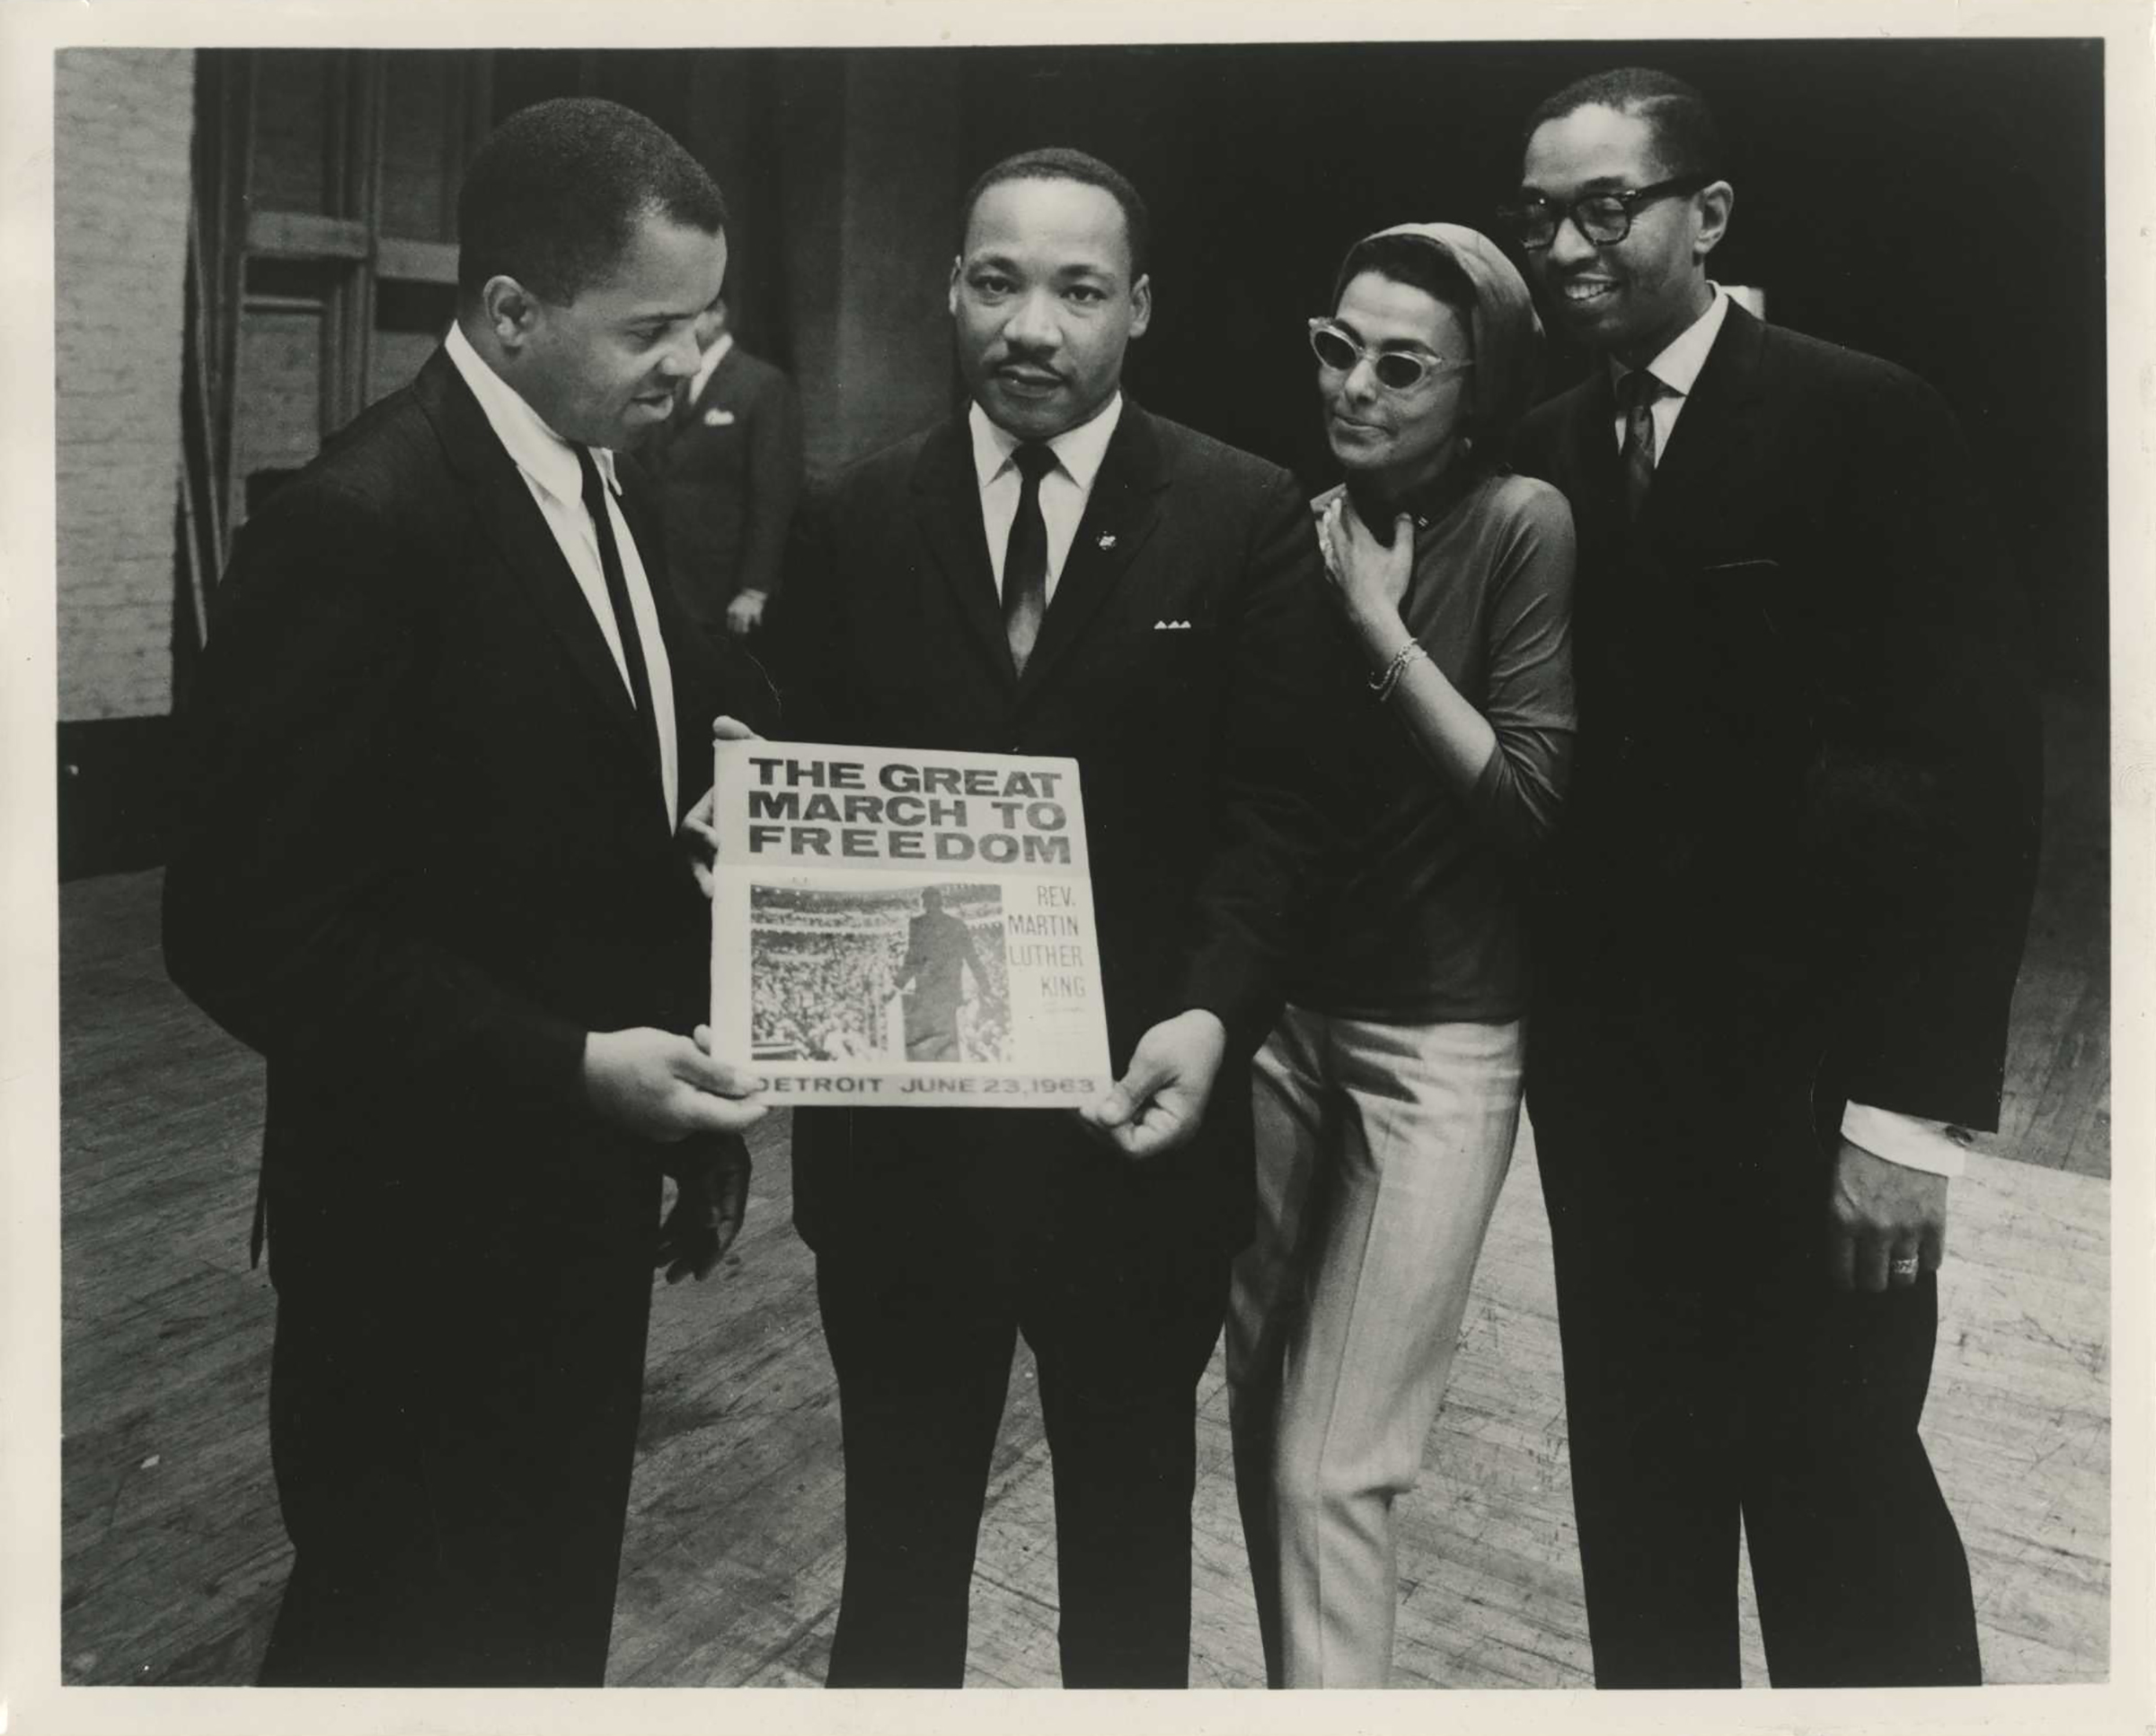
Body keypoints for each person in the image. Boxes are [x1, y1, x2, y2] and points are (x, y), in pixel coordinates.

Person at [161, 97, 775, 1687]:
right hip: (416, 1238)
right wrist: (574, 1065)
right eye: (652, 329)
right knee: (395, 1627)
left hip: (573, 1203)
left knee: (534, 1618)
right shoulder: (361, 525)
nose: (686, 369)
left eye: (701, 328)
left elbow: (580, 792)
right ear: (507, 312)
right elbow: (244, 925)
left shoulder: (588, 470)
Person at [763, 146, 1334, 1688]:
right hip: (902, 1162)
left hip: (1133, 1145)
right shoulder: (851, 516)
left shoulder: (1243, 515)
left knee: (1132, 1582)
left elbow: (1278, 817)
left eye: (1078, 289)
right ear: (952, 288)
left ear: (1137, 309)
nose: (1034, 324)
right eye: (1000, 280)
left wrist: (1213, 1013)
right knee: (894, 1572)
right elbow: (789, 774)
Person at [1498, 67, 2041, 1687]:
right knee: (1641, 1523)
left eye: (1608, 206)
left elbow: (1974, 784)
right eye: (1544, 214)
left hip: (1815, 1108)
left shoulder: (1867, 414)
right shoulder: (1540, 452)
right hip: (1612, 1105)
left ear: (1706, 214)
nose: (1570, 244)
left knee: (1843, 1513)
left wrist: (1902, 1120)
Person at [1225, 223, 1575, 1687]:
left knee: (1335, 1464)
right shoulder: (1290, 520)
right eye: (1336, 348)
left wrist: (1374, 622)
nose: (1356, 386)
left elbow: (1530, 805)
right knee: (1262, 1421)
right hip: (1283, 1032)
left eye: (1402, 365)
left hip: (1437, 1047)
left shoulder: (1522, 521)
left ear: (1476, 388)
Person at [643, 294, 805, 639]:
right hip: (666, 579)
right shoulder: (667, 379)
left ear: (718, 314)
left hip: (724, 586)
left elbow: (774, 495)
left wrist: (754, 588)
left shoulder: (762, 385)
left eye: (688, 316)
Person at [896, 886, 985, 1061]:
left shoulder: (917, 924)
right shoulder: (957, 924)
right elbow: (972, 957)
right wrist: (985, 985)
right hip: (948, 992)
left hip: (928, 991)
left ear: (924, 903)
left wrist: (897, 984)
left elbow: (912, 959)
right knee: (948, 1038)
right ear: (941, 902)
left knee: (928, 1040)